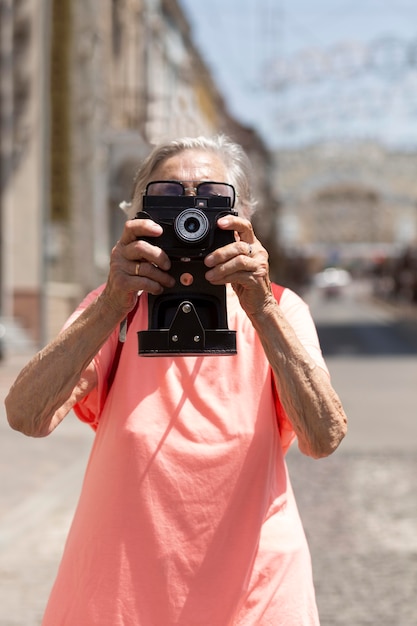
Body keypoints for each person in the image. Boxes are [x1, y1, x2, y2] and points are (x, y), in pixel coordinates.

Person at [5, 134, 347, 625]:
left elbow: (323, 435)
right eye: (167, 198)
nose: (191, 217)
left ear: (243, 217)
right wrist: (110, 304)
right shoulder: (113, 305)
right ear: (137, 216)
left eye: (210, 199)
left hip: (255, 594)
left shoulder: (279, 307)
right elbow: (27, 415)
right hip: (121, 596)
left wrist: (261, 309)